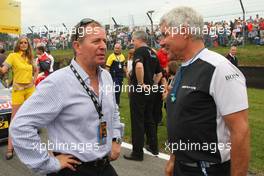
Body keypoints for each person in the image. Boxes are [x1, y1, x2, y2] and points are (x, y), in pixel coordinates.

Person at [10, 18, 123, 176]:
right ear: (77, 46)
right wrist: (49, 163)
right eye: (96, 41)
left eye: (105, 40)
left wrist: (116, 138)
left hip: (104, 166)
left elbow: (113, 110)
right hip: (73, 169)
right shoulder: (57, 83)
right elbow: (20, 126)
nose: (103, 46)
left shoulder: (106, 77)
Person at [160, 7, 250, 176]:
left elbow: (240, 131)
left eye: (165, 35)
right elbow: (180, 119)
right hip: (182, 166)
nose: (162, 42)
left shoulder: (219, 68)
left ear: (184, 31)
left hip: (208, 169)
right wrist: (174, 158)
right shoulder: (182, 69)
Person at [123, 30, 162, 161]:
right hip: (150, 91)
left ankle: (137, 152)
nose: (132, 42)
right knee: (149, 118)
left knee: (137, 120)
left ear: (139, 39)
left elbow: (139, 66)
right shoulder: (153, 53)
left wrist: (140, 83)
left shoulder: (139, 51)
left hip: (139, 91)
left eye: (133, 40)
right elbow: (159, 74)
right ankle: (153, 146)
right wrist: (151, 85)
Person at [0, 36, 38, 160]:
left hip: (30, 90)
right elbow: (4, 70)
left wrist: (34, 80)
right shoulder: (12, 56)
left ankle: (30, 146)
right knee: (14, 119)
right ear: (18, 44)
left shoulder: (30, 57)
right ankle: (10, 148)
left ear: (28, 44)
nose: (23, 44)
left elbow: (36, 69)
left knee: (31, 118)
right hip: (18, 91)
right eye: (21, 42)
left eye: (25, 42)